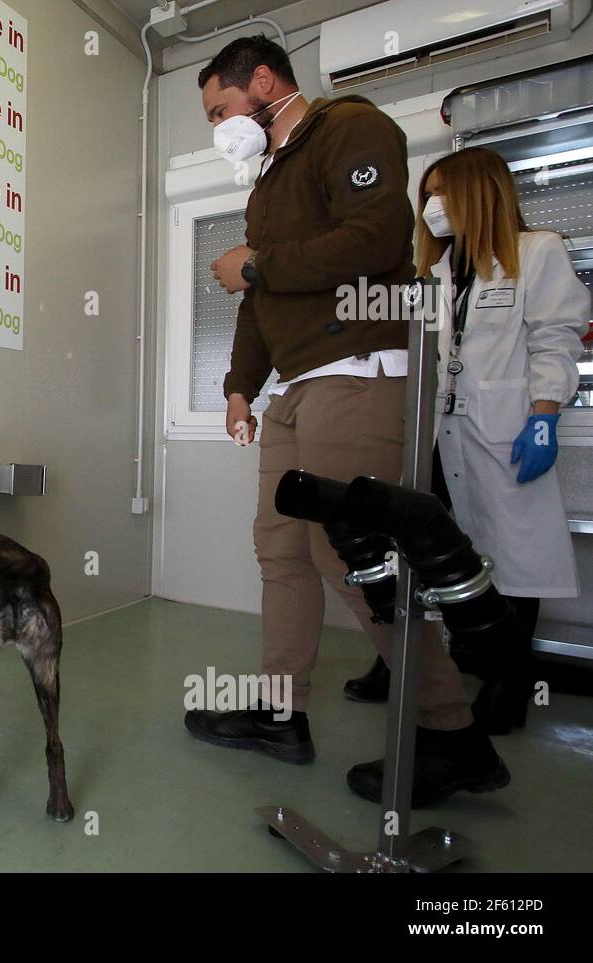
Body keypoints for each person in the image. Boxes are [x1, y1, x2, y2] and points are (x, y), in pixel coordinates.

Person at [182, 35, 509, 806]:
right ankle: (278, 711)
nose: (219, 126)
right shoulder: (268, 180)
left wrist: (256, 264)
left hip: (361, 370)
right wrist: (238, 386)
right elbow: (263, 301)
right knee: (281, 549)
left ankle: (451, 733)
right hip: (295, 387)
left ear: (263, 82)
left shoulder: (351, 129)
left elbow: (375, 240)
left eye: (220, 109)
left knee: (350, 554)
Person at [420, 147, 584, 731]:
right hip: (446, 433)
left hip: (508, 427)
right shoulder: (436, 271)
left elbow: (557, 337)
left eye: (444, 192)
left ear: (478, 192)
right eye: (428, 195)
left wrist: (544, 416)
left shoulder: (535, 252)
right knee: (453, 557)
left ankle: (508, 685)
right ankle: (465, 666)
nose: (433, 206)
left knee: (514, 558)